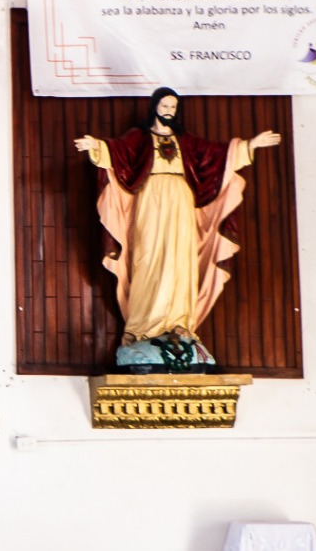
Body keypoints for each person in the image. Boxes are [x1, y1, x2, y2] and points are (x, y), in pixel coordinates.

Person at [73, 87, 280, 356]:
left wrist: (250, 145)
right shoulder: (139, 137)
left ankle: (179, 323)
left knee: (181, 260)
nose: (169, 111)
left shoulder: (187, 141)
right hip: (150, 198)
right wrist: (96, 146)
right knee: (148, 257)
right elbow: (118, 152)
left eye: (173, 107)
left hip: (182, 200)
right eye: (165, 105)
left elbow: (216, 155)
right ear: (154, 107)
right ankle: (142, 326)